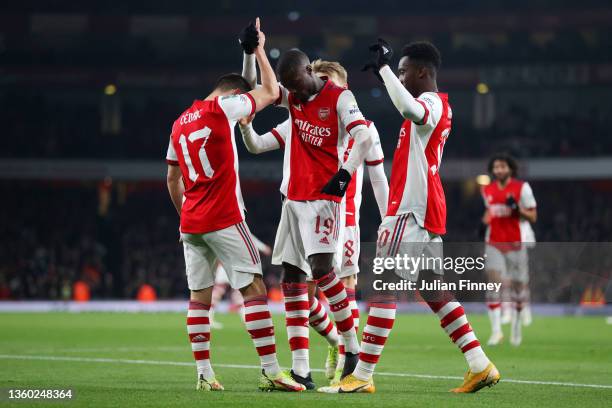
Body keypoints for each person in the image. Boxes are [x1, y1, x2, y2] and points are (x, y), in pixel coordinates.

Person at [320, 38, 499, 394]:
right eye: (396, 71)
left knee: (384, 287)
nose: (399, 78)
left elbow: (409, 110)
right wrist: (389, 74)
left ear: (422, 72)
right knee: (434, 292)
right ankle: (480, 365)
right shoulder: (431, 104)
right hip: (424, 210)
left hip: (411, 210)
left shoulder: (430, 103)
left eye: (404, 71)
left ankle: (362, 376)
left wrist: (384, 70)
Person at [165, 18, 304, 392]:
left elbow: (173, 179)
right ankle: (272, 370)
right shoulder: (222, 110)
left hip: (191, 222)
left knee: (199, 297)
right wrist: (259, 48)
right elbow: (271, 90)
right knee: (254, 288)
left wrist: (186, 218)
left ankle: (204, 375)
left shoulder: (180, 123)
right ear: (229, 97)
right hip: (224, 216)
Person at [237, 58, 389, 384]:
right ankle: (304, 367)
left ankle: (351, 350)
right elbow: (260, 98)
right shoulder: (296, 108)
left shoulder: (346, 108)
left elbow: (377, 176)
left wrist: (382, 213)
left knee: (330, 276)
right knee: (294, 284)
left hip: (336, 209)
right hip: (292, 201)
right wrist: (255, 52)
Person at [482, 153, 537, 346]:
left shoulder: (522, 188)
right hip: (494, 243)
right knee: (493, 283)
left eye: (502, 167)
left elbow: (533, 216)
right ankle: (496, 331)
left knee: (519, 288)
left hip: (515, 243)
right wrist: (484, 223)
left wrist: (518, 210)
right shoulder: (487, 190)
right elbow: (490, 212)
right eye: (496, 167)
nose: (499, 170)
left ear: (510, 169)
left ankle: (516, 326)